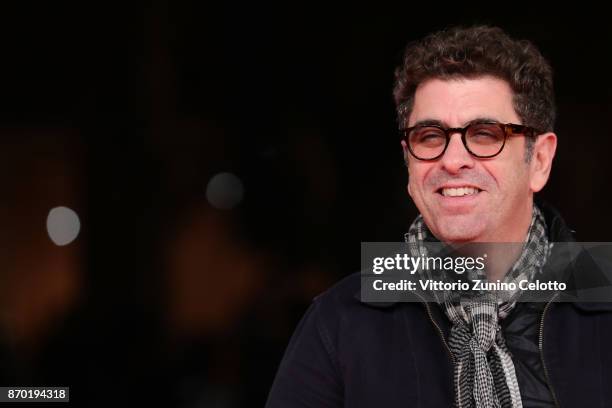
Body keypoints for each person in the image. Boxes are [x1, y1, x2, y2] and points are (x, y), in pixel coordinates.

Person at [265, 25, 612, 408]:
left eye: (484, 134)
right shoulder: (340, 322)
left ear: (540, 160)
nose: (452, 159)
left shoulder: (603, 298)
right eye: (430, 136)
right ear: (408, 161)